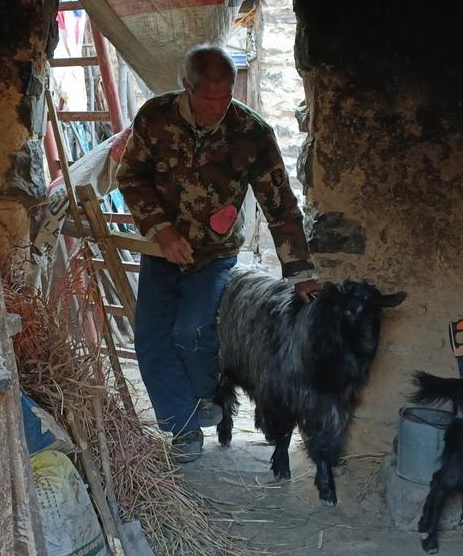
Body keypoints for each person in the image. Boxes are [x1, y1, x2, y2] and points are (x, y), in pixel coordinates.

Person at [116, 44, 321, 462]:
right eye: (208, 100)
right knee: (152, 341)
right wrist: (162, 230)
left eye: (225, 99)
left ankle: (206, 395)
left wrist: (301, 274)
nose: (217, 109)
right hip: (162, 249)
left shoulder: (251, 133)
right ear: (186, 88)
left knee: (192, 331)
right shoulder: (155, 118)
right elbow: (131, 176)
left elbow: (280, 206)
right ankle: (183, 428)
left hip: (215, 253)